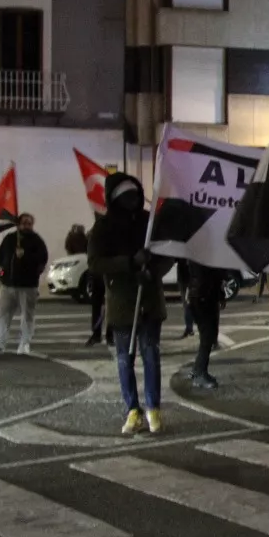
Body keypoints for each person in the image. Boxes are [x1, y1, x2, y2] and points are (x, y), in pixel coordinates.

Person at [89, 172, 170, 435]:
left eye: (134, 194)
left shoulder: (149, 223)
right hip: (122, 302)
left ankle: (153, 408)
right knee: (125, 358)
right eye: (125, 196)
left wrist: (153, 270)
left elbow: (167, 253)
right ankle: (132, 409)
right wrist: (128, 263)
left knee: (151, 354)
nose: (132, 200)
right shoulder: (103, 227)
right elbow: (96, 263)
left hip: (149, 299)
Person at [0, 213, 48, 355]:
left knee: (27, 316)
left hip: (27, 286)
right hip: (8, 284)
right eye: (24, 223)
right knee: (3, 315)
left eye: (29, 223)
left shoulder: (37, 241)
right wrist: (0, 273)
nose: (26, 225)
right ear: (18, 224)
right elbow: (0, 258)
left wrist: (25, 256)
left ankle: (24, 344)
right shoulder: (10, 239)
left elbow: (41, 261)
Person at [188, 262, 228, 389]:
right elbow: (211, 276)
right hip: (202, 297)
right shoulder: (202, 256)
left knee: (208, 337)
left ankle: (198, 369)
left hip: (204, 296)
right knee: (207, 338)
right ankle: (199, 372)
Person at [177, 259, 197, 341]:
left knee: (189, 305)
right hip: (184, 278)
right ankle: (189, 328)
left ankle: (190, 327)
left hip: (190, 278)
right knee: (187, 305)